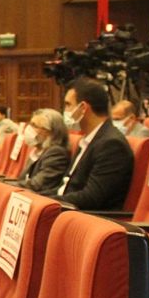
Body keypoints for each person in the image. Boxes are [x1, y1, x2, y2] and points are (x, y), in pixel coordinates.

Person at [55, 78, 134, 211]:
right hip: (67, 209)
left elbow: (91, 198)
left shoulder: (112, 144)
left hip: (88, 217)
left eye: (68, 104)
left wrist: (48, 202)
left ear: (83, 108)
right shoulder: (89, 139)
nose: (65, 110)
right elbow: (68, 186)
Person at [14, 109, 71, 195]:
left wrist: (7, 187)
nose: (29, 129)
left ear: (49, 131)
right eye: (30, 124)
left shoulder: (56, 153)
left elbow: (37, 185)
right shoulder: (37, 151)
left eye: (34, 125)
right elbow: (23, 180)